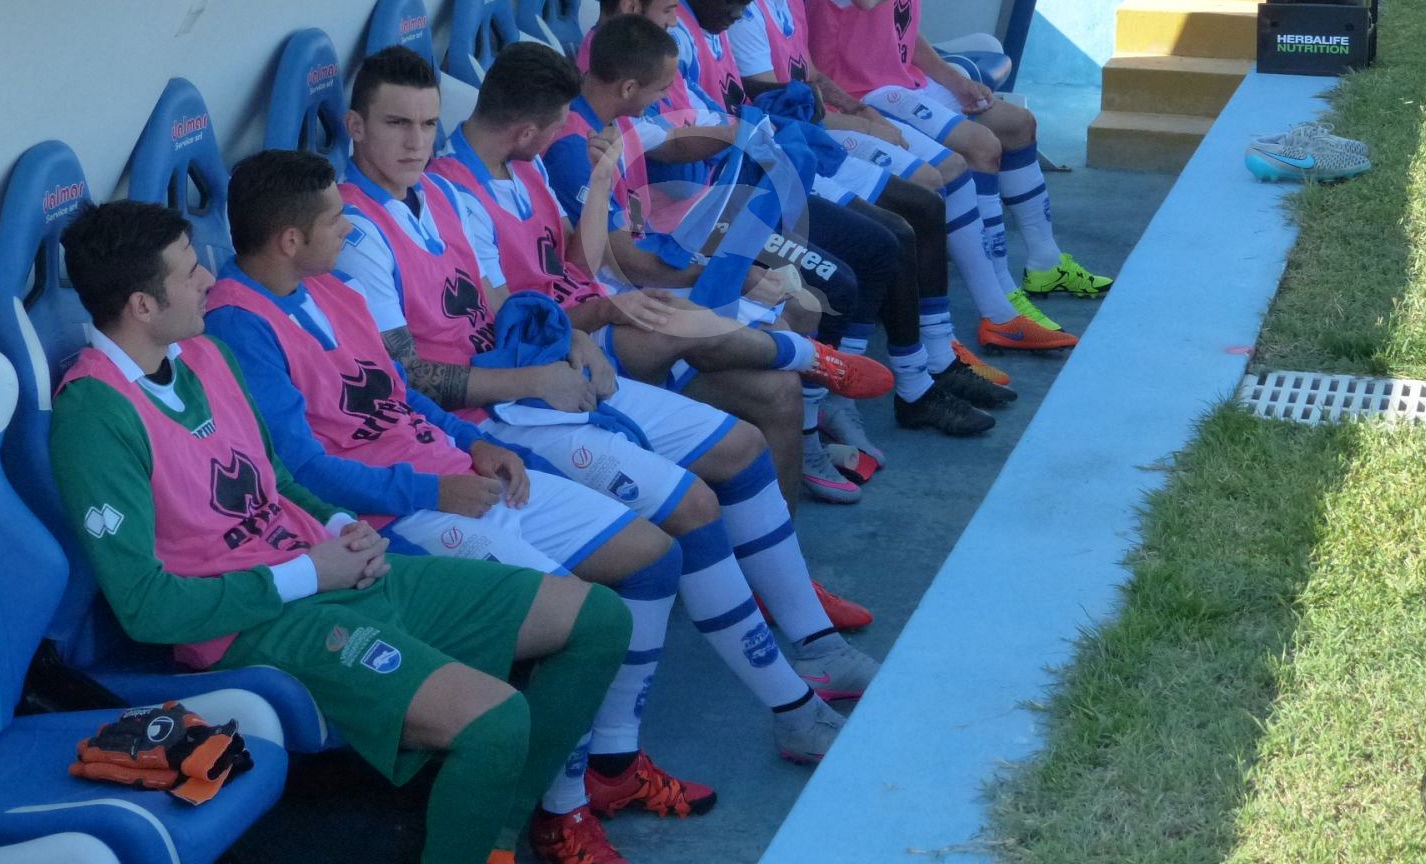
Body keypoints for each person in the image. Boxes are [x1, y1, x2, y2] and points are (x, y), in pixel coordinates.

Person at [49, 199, 631, 864]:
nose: (209, 277)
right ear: (142, 306)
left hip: (330, 568)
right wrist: (310, 573)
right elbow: (146, 608)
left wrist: (342, 527)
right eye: (188, 272)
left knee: (598, 619)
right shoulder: (93, 415)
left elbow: (276, 482)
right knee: (495, 722)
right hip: (252, 624)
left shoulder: (205, 355)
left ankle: (495, 832)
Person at [339, 47, 880, 758]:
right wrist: (539, 375)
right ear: (355, 126)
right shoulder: (356, 234)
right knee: (686, 509)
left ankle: (814, 644)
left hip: (540, 382)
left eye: (425, 124)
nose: (415, 143)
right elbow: (402, 378)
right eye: (396, 124)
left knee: (741, 446)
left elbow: (502, 308)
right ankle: (774, 710)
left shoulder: (440, 197)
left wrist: (569, 337)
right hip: (490, 417)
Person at [200, 150, 706, 858]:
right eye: (336, 218)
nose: (349, 227)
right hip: (396, 511)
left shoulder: (333, 286)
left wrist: (476, 444)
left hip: (449, 473)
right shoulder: (237, 325)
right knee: (575, 623)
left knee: (653, 557)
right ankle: (555, 811)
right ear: (290, 239)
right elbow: (303, 469)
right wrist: (435, 489)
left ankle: (611, 764)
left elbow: (399, 393)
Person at [432, 42, 901, 501]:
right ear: (526, 132)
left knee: (779, 392)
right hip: (568, 335)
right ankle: (812, 358)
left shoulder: (524, 163)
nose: (563, 133)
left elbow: (576, 262)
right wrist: (604, 312)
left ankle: (787, 540)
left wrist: (601, 183)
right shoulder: (455, 195)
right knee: (676, 320)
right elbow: (508, 323)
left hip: (595, 302)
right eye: (557, 126)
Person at [667, 0, 1007, 441]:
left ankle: (926, 368)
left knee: (915, 214)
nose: (737, 14)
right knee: (874, 251)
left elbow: (776, 89)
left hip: (778, 160)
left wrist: (829, 108)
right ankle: (832, 406)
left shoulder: (732, 13)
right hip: (743, 190)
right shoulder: (680, 37)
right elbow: (710, 128)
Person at [806, 0, 1116, 335]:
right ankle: (1002, 301)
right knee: (980, 146)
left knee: (1017, 124)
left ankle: (1044, 261)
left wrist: (953, 77)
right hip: (862, 93)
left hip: (903, 81)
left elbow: (901, 28)